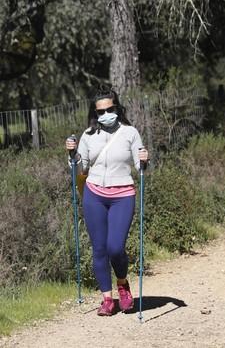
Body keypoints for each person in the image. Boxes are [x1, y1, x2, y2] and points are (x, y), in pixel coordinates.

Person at [65, 88, 149, 316]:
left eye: (109, 109)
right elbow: (80, 168)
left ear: (117, 108)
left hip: (123, 195)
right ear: (95, 113)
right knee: (99, 249)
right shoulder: (88, 135)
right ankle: (106, 299)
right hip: (94, 194)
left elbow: (139, 165)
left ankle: (122, 284)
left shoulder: (130, 132)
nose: (105, 114)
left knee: (115, 247)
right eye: (100, 111)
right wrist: (72, 155)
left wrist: (143, 160)